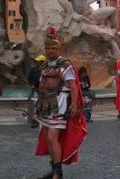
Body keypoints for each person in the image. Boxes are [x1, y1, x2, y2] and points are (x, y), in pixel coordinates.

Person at [35, 28, 86, 179]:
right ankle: (54, 169)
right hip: (45, 104)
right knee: (47, 138)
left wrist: (74, 105)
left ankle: (58, 173)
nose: (50, 50)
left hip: (59, 103)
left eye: (53, 48)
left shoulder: (64, 64)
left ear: (59, 49)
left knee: (52, 138)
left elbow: (73, 85)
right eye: (48, 48)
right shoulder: (45, 65)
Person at [27, 55, 46, 128]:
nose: (37, 62)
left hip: (44, 90)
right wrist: (31, 84)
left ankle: (43, 119)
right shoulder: (34, 69)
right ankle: (35, 121)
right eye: (37, 61)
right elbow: (29, 77)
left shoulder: (47, 69)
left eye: (39, 61)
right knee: (35, 105)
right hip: (36, 89)